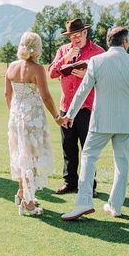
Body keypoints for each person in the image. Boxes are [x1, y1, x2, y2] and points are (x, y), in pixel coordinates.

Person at [60, 26, 129, 221]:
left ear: (109, 42)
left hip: (100, 121)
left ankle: (84, 202)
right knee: (122, 164)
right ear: (125, 42)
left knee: (88, 157)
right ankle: (115, 207)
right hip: (125, 123)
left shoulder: (96, 61)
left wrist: (70, 114)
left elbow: (83, 90)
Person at [5, 32, 61, 216]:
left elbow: (7, 95)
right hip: (32, 119)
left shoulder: (12, 66)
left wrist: (13, 114)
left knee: (22, 155)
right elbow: (45, 96)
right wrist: (57, 116)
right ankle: (28, 204)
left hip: (15, 117)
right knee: (31, 157)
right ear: (37, 48)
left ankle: (22, 192)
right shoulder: (37, 68)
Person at [48, 18, 104, 197]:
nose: (75, 39)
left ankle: (89, 186)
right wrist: (66, 58)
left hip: (87, 107)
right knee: (68, 147)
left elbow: (106, 79)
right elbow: (51, 73)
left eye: (78, 35)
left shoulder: (98, 52)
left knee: (88, 148)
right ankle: (69, 182)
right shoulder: (63, 50)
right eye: (72, 36)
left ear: (86, 33)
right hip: (66, 107)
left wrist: (87, 74)